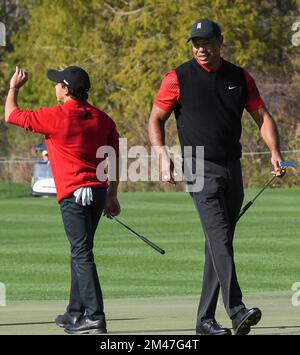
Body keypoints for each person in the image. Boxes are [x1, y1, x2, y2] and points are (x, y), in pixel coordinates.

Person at [148, 18, 286, 335]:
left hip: (232, 167)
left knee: (218, 242)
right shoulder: (176, 78)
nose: (201, 48)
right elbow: (156, 118)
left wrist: (274, 152)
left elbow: (262, 117)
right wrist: (161, 154)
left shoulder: (240, 77)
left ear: (220, 41)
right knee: (220, 237)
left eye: (207, 42)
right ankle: (236, 310)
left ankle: (204, 321)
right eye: (196, 44)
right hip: (197, 165)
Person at [5, 65, 120, 334]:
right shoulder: (103, 120)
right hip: (98, 192)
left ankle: (95, 316)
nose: (55, 86)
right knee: (79, 251)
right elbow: (114, 161)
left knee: (82, 254)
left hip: (74, 195)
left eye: (58, 83)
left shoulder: (56, 116)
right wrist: (112, 195)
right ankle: (74, 312)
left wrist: (13, 88)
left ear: (66, 89)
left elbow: (11, 114)